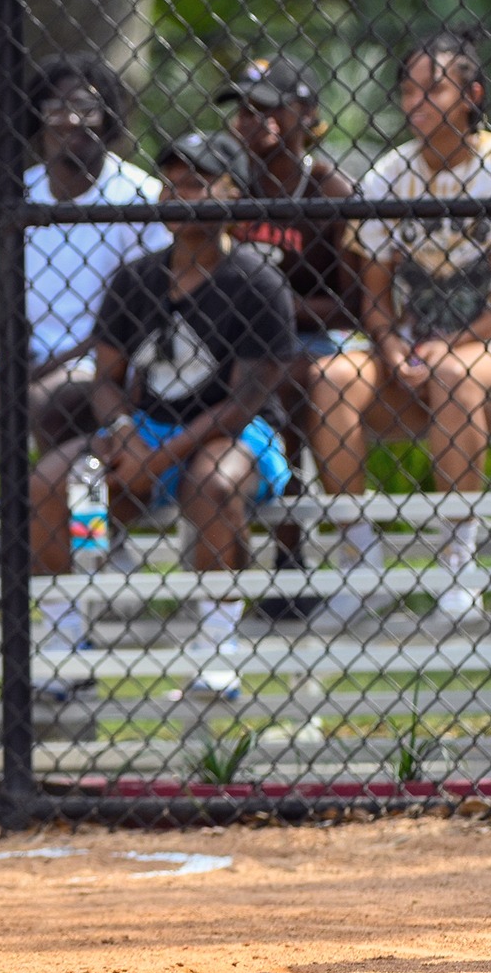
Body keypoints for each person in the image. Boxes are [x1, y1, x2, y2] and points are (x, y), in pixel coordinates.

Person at [30, 131, 297, 701]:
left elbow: (244, 402)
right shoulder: (135, 280)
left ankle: (215, 653)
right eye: (171, 183)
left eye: (196, 183)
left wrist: (163, 456)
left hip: (238, 435)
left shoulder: (258, 283)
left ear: (232, 195)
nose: (179, 194)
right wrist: (125, 434)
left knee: (212, 484)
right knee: (52, 481)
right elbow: (105, 378)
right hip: (147, 429)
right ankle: (66, 640)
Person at [0, 54, 169, 534]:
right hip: (28, 356)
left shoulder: (137, 193)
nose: (70, 119)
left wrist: (33, 373)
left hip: (110, 356)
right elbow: (5, 304)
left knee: (40, 402)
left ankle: (81, 535)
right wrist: (13, 364)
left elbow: (144, 312)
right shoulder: (15, 193)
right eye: (56, 106)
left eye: (85, 107)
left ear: (108, 117)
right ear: (38, 116)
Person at [314, 29, 491, 622]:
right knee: (333, 376)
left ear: (472, 94)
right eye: (407, 91)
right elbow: (376, 294)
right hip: (415, 354)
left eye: (434, 89)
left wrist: (451, 344)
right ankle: (359, 561)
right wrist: (390, 348)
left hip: (479, 349)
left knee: (456, 374)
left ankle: (458, 563)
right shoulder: (390, 175)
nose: (417, 102)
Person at [212, 55, 364, 622]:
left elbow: (353, 304)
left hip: (314, 338)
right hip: (235, 337)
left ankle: (290, 553)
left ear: (305, 115)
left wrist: (274, 306)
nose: (253, 121)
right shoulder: (228, 183)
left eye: (268, 108)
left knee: (294, 378)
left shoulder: (329, 187)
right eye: (243, 110)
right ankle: (233, 551)